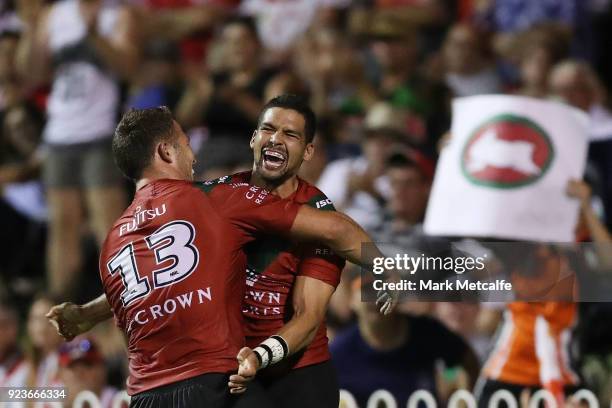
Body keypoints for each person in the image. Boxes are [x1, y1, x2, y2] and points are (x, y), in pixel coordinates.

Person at [49, 106, 393, 407]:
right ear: (165, 153)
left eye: (290, 134)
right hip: (217, 382)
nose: (193, 156)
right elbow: (336, 231)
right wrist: (386, 266)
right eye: (185, 144)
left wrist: (87, 313)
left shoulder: (113, 240)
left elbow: (161, 282)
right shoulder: (217, 200)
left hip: (148, 396)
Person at [15, 0, 138, 298]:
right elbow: (32, 74)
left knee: (108, 226)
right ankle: (63, 309)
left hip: (100, 132)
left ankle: (128, 304)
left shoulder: (118, 14)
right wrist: (31, 32)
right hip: (59, 133)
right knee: (62, 227)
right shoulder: (54, 15)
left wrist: (94, 35)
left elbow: (128, 67)